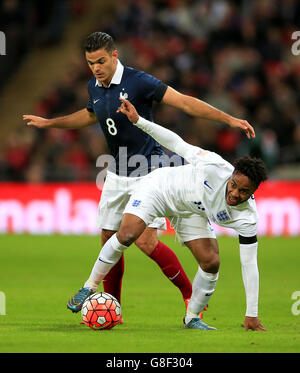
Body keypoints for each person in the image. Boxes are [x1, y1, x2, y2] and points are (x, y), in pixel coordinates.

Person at [23, 32, 255, 320]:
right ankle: (113, 309)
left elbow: (183, 102)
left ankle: (188, 295)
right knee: (109, 239)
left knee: (145, 242)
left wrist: (228, 118)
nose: (96, 67)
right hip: (116, 173)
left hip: (148, 171)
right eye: (90, 63)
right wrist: (50, 123)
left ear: (115, 55)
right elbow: (89, 115)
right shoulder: (94, 86)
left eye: (101, 61)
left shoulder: (139, 81)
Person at [77, 97, 268, 331]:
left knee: (211, 262)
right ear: (231, 175)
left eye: (244, 192)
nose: (235, 194)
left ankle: (192, 317)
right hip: (160, 190)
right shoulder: (214, 166)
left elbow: (249, 264)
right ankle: (90, 285)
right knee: (126, 235)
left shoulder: (248, 218)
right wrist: (139, 121)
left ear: (254, 191)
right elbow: (176, 143)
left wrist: (252, 313)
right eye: (234, 185)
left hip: (191, 211)